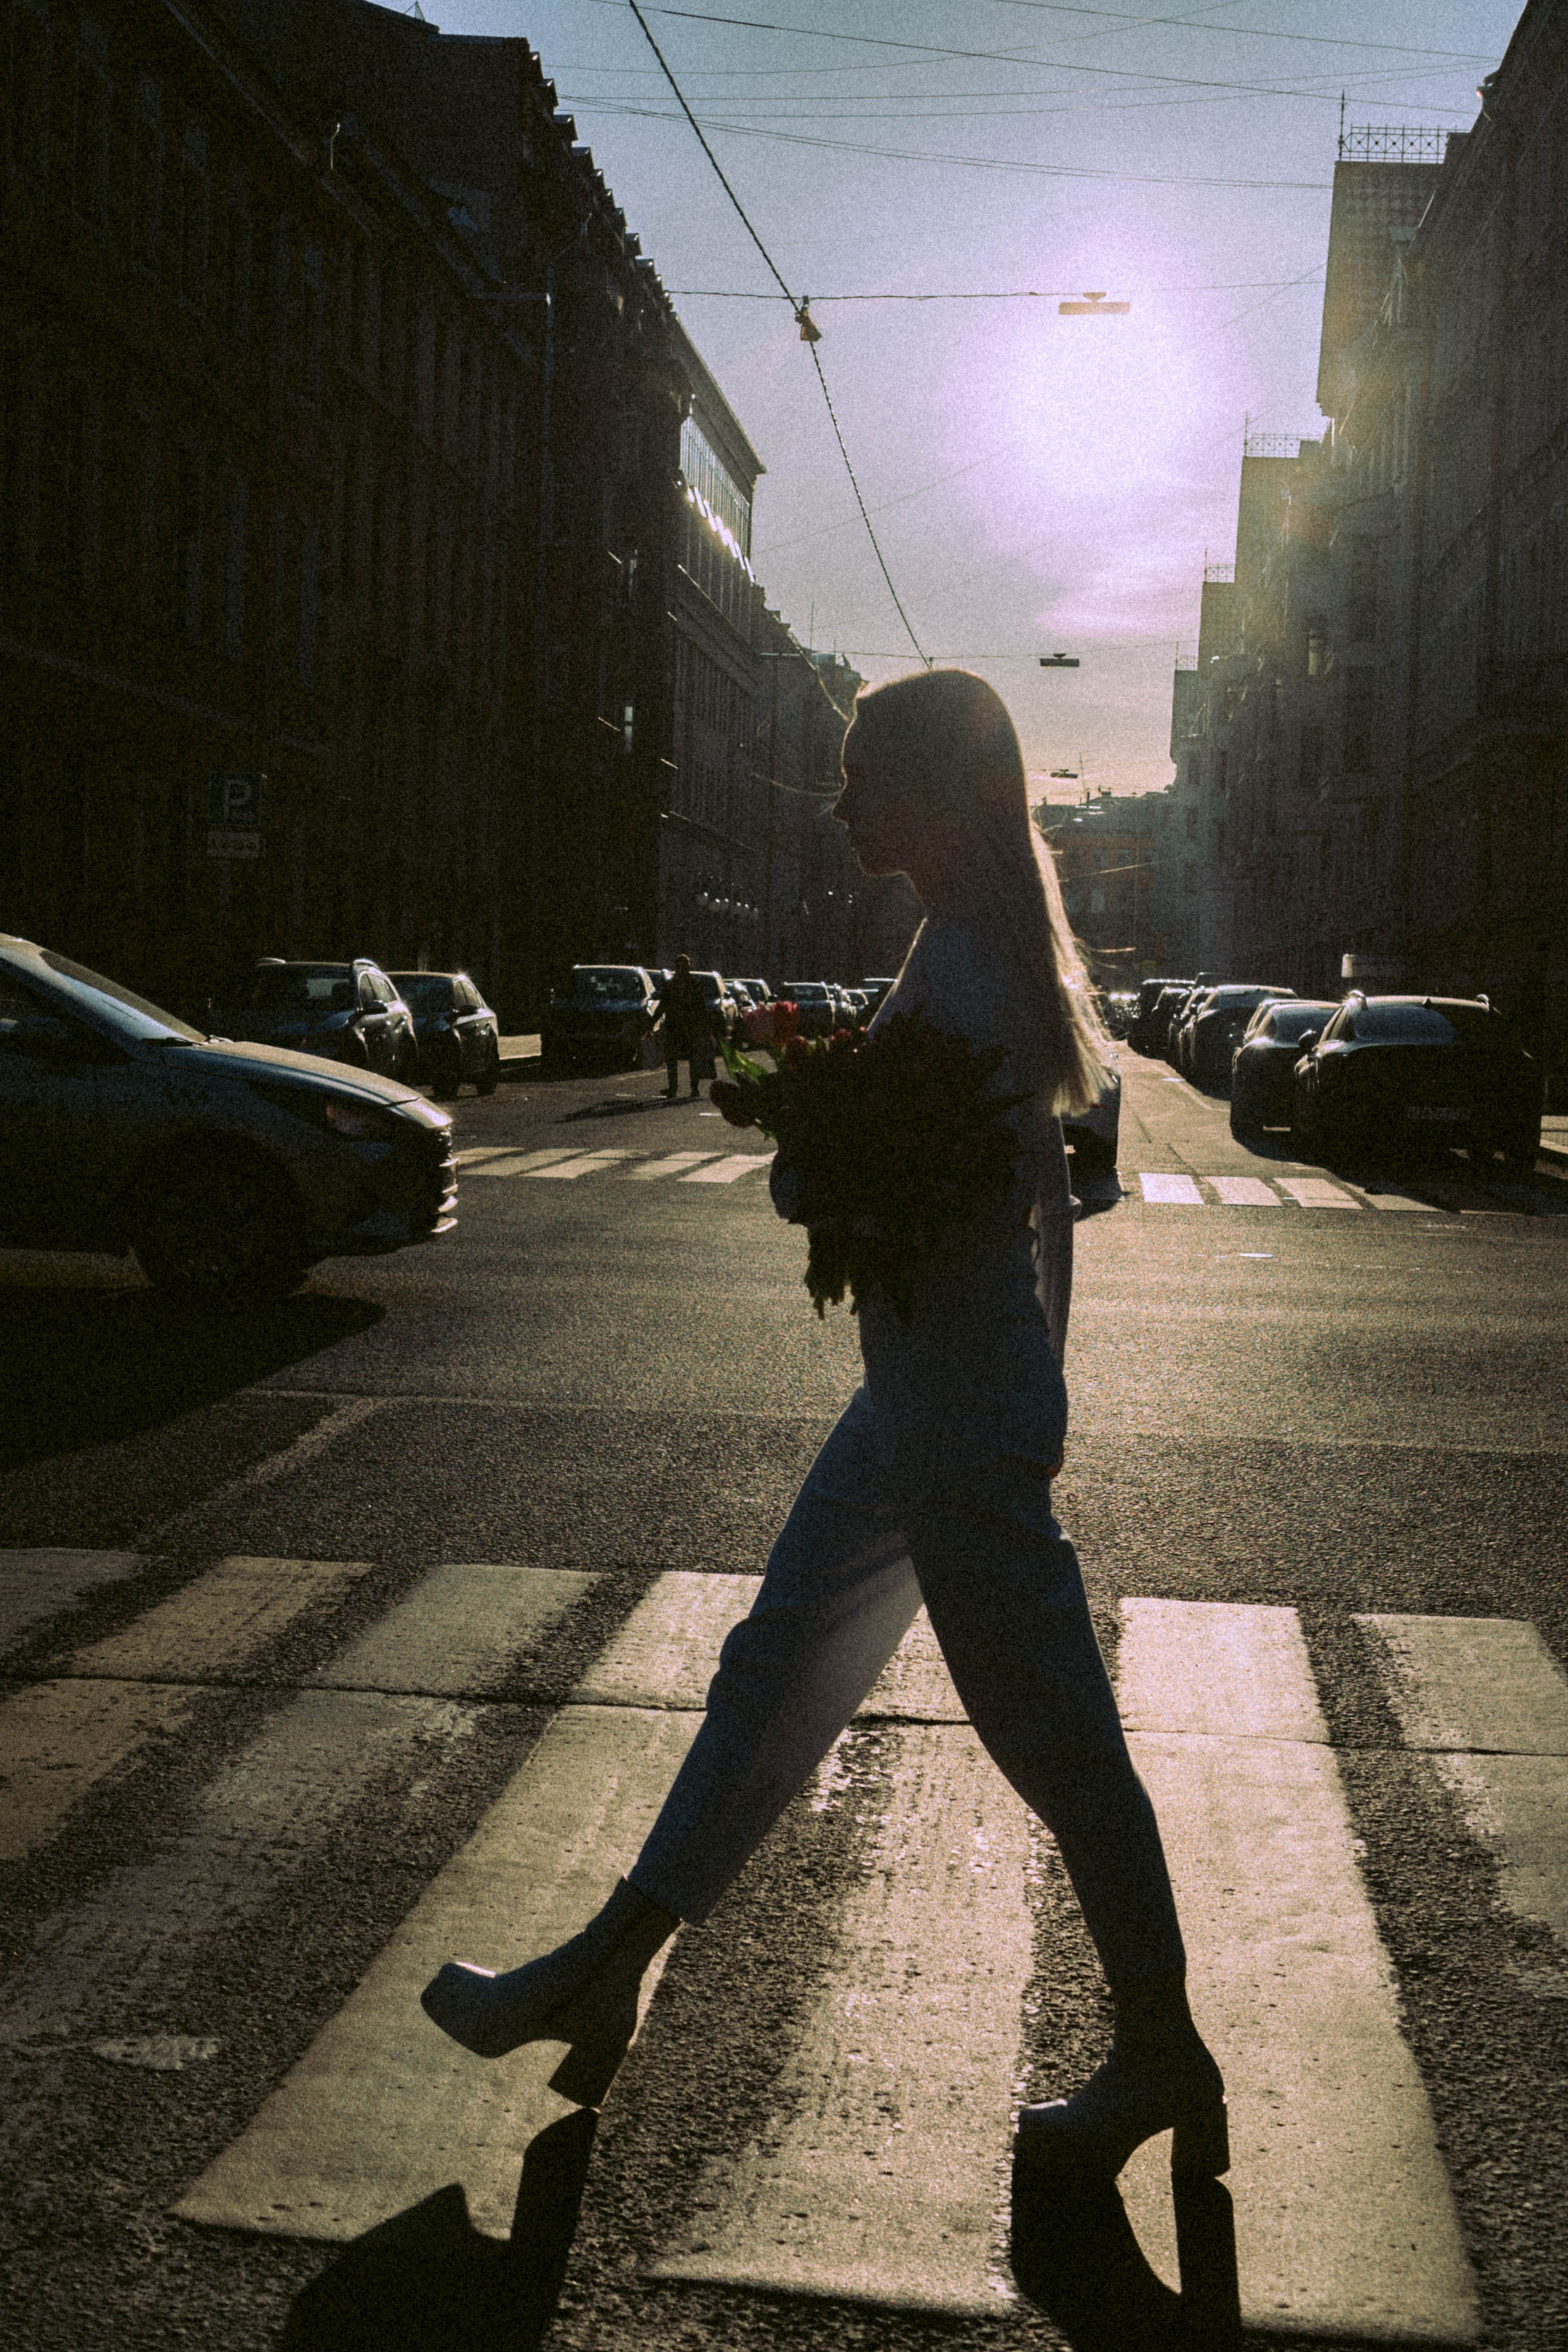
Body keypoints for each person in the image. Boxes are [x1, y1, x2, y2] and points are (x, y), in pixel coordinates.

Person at [421, 671, 1226, 2187]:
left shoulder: (972, 957)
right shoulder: (966, 938)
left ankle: (1158, 2048)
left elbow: (915, 1190)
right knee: (780, 1663)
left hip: (955, 1409)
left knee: (1049, 1731)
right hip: (927, 1390)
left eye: (864, 775)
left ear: (936, 792)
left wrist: (807, 1153)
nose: (839, 801)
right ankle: (607, 1964)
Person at [655, 952, 711, 1099]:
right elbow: (663, 1005)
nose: (681, 970)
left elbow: (701, 1007)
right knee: (673, 1059)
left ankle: (691, 1089)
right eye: (679, 967)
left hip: (688, 1026)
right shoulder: (673, 985)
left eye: (683, 967)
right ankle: (675, 1089)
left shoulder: (693, 984)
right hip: (676, 1026)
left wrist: (704, 1026)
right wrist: (651, 1022)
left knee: (691, 1059)